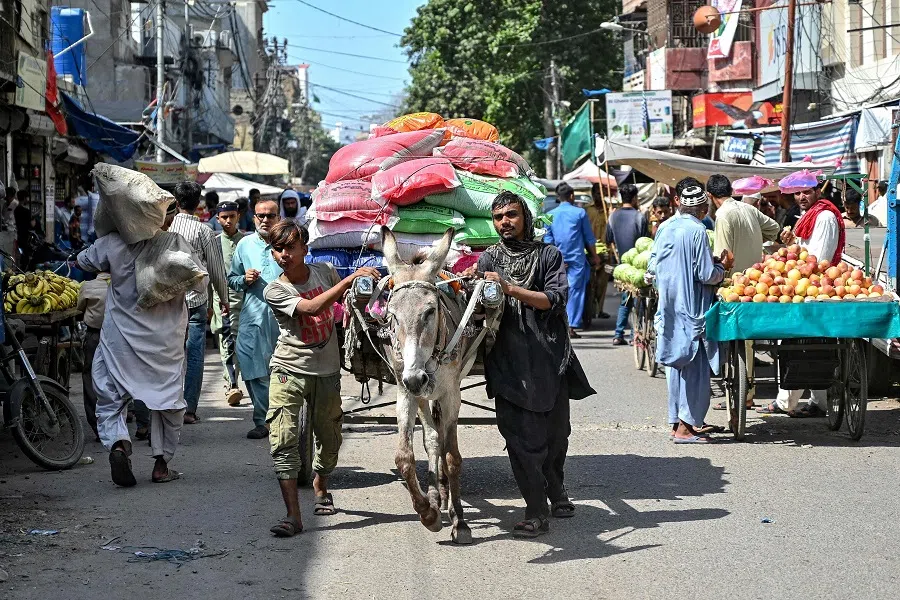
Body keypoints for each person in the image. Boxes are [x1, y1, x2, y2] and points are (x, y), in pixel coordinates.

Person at [466, 190, 595, 538]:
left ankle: (557, 488)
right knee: (521, 441)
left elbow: (554, 299)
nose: (504, 222)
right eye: (498, 217)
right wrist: (475, 299)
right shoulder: (489, 259)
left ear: (525, 217)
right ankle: (536, 510)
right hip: (506, 361)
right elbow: (479, 313)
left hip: (548, 357)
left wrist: (508, 289)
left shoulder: (548, 255)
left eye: (511, 214)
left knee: (556, 437)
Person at [263, 219, 380, 537]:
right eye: (278, 249)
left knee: (329, 439)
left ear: (304, 248)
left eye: (290, 247)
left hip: (327, 372)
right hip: (288, 371)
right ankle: (293, 517)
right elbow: (314, 308)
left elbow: (347, 303)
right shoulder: (275, 289)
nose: (284, 254)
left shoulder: (325, 270)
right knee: (283, 442)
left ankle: (320, 485)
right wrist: (350, 279)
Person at [76, 231, 206, 486]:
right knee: (168, 401)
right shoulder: (175, 244)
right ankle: (161, 464)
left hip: (119, 339)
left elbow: (84, 260)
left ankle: (119, 445)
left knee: (110, 395)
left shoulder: (113, 242)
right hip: (164, 343)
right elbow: (198, 283)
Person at [649, 183, 730, 443]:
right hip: (692, 309)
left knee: (676, 367)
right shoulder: (698, 231)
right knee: (695, 371)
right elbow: (705, 275)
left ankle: (677, 423)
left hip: (669, 308)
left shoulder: (664, 227)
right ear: (703, 208)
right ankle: (686, 429)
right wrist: (723, 268)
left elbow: (655, 267)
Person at [758, 183, 846, 418]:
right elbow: (804, 251)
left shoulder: (825, 216)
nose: (801, 197)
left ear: (818, 191)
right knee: (811, 345)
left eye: (806, 192)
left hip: (816, 287)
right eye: (797, 193)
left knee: (802, 345)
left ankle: (787, 401)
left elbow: (819, 260)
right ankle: (817, 402)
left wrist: (794, 254)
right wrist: (791, 243)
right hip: (802, 284)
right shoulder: (807, 216)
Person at [168, 181, 229, 425]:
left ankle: (155, 409)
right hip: (195, 301)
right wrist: (224, 299)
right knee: (194, 356)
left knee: (163, 355)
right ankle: (189, 410)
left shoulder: (165, 226)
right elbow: (216, 270)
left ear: (176, 199)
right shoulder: (204, 231)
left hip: (166, 302)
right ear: (198, 202)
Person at [228, 199, 283, 439]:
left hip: (284, 318)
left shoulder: (288, 242)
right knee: (250, 364)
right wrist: (244, 279)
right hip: (254, 315)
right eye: (260, 215)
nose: (265, 220)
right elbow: (232, 278)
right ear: (253, 217)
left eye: (270, 216)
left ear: (278, 218)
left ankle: (284, 418)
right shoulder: (245, 245)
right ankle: (263, 420)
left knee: (283, 368)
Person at [544, 182, 600, 337]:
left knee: (557, 290)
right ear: (572, 196)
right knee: (575, 291)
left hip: (557, 259)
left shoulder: (550, 215)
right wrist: (595, 256)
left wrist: (556, 258)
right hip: (576, 259)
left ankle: (557, 323)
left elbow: (548, 240)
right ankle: (570, 326)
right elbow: (588, 238)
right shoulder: (580, 213)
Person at [210, 200, 246, 406]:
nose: (228, 221)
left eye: (232, 216)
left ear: (238, 217)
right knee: (227, 343)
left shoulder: (247, 242)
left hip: (247, 303)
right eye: (224, 217)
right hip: (223, 303)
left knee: (244, 343)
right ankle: (231, 384)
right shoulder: (214, 243)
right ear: (218, 219)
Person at [606, 183, 649, 345]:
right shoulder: (640, 216)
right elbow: (645, 242)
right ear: (635, 198)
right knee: (637, 300)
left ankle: (619, 334)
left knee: (625, 299)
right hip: (637, 265)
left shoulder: (612, 216)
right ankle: (633, 334)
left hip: (621, 265)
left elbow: (608, 239)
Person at [710, 175, 780, 273]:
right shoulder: (749, 208)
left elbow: (723, 256)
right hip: (755, 277)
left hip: (735, 281)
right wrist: (754, 239)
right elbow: (775, 228)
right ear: (730, 191)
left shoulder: (722, 214)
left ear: (710, 195)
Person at [76, 271, 111, 443]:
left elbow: (79, 308)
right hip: (116, 335)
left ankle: (97, 425)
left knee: (90, 377)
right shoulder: (120, 287)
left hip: (94, 336)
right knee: (118, 377)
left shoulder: (88, 287)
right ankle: (119, 420)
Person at [586, 184, 611, 319]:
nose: (599, 196)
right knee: (591, 283)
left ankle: (599, 310)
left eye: (601, 193)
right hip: (590, 251)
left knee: (603, 283)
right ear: (593, 194)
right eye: (596, 193)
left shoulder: (610, 210)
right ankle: (590, 309)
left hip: (606, 252)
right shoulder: (587, 210)